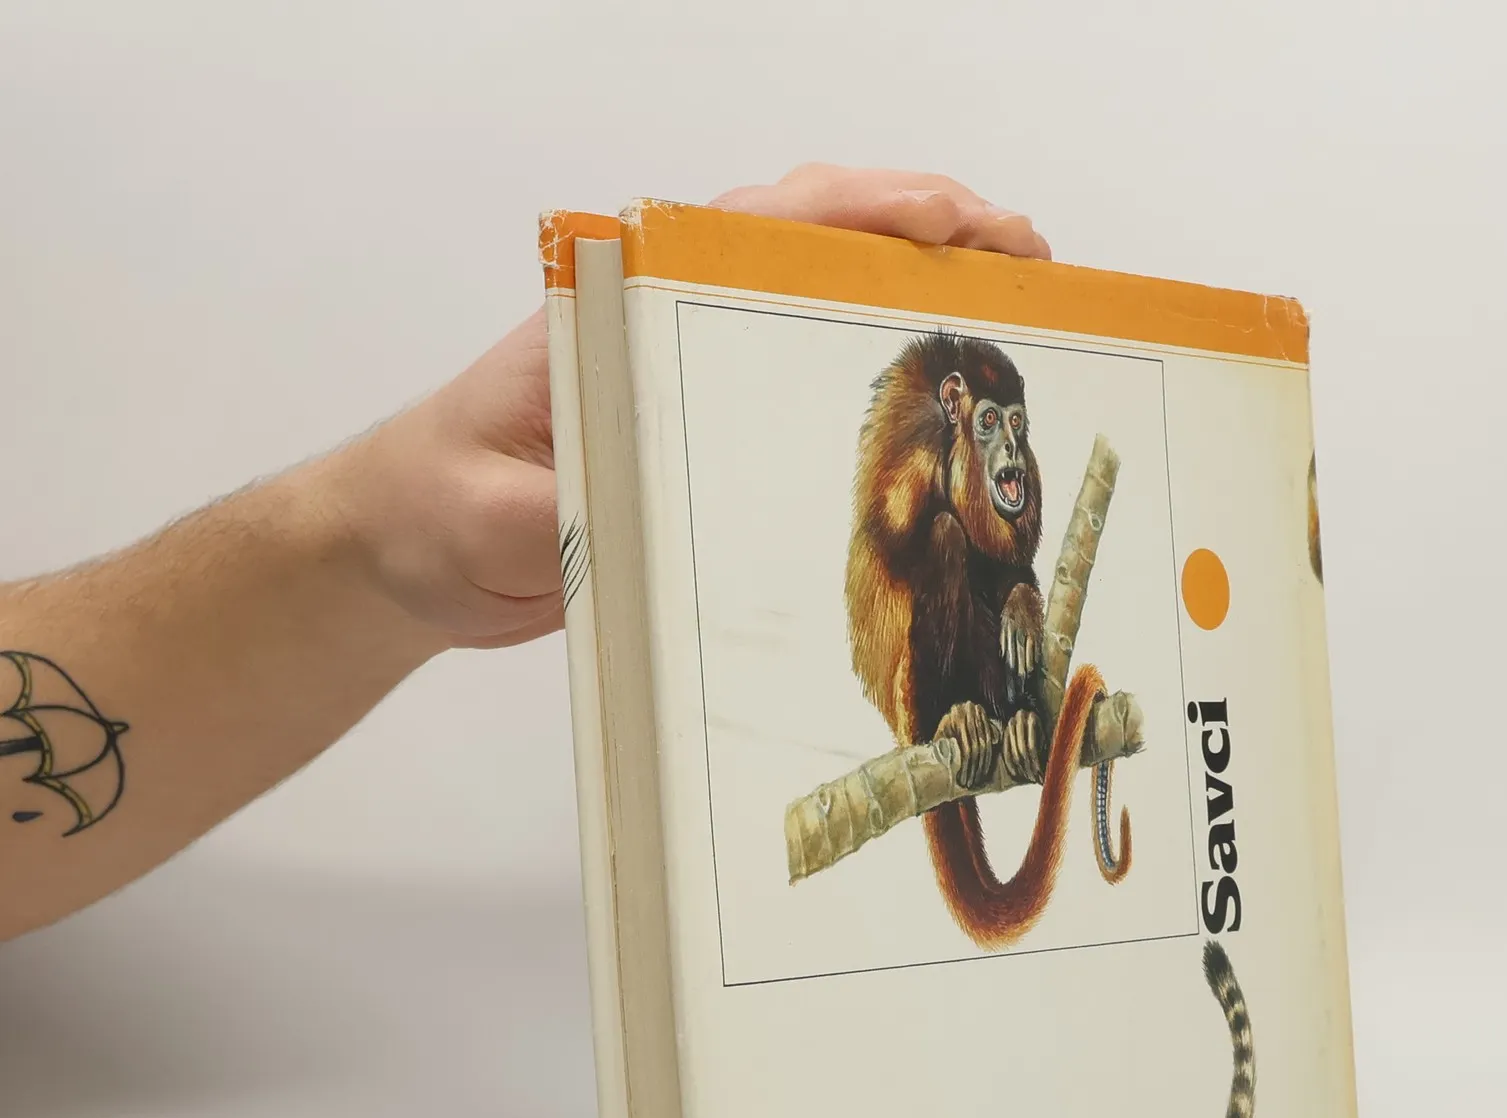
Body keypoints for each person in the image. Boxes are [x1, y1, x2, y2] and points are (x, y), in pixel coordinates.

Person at [0, 165, 1050, 944]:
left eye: (1016, 433)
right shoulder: (916, 481)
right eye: (991, 428)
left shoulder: (990, 484)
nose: (1010, 456)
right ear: (956, 410)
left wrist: (382, 538)